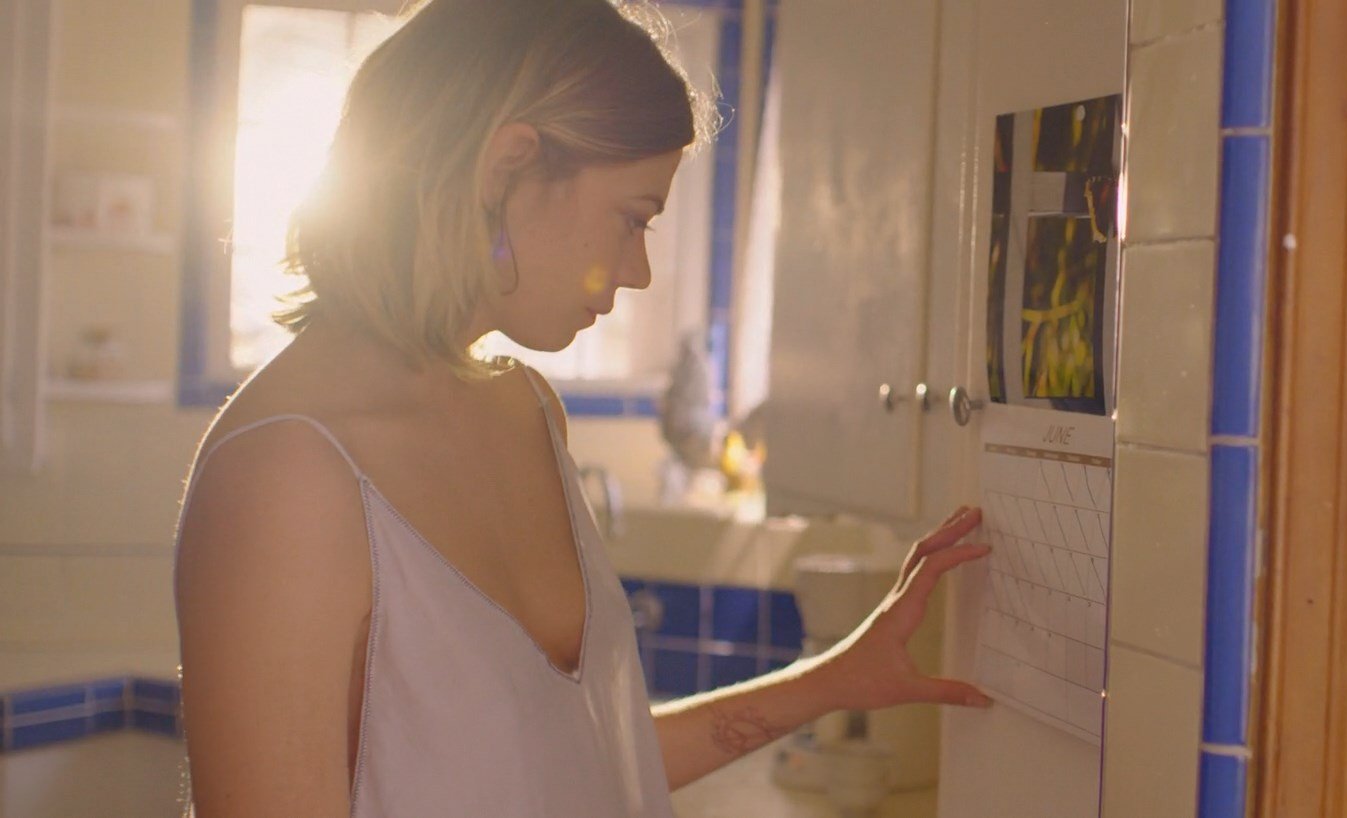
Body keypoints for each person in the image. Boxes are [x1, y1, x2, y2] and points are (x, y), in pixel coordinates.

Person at [170, 0, 992, 815]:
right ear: (507, 169)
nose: (637, 271)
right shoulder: (285, 474)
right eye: (633, 220)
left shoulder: (526, 411)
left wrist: (835, 680)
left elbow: (581, 759)